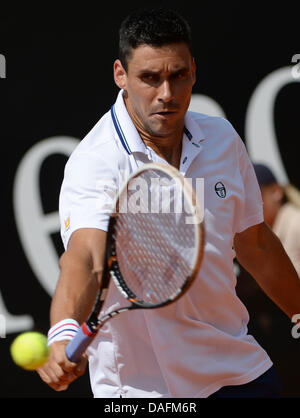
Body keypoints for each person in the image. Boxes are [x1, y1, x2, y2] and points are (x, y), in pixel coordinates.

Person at [37, 8, 300, 398]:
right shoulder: (96, 162)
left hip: (239, 371)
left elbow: (255, 244)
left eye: (178, 76)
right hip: (144, 392)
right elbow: (87, 259)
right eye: (149, 78)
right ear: (120, 75)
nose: (166, 94)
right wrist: (63, 331)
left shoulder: (222, 138)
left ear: (193, 70)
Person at [253, 163, 300, 276]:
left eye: (253, 193)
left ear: (276, 191)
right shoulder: (258, 239)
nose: (248, 203)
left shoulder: (297, 224)